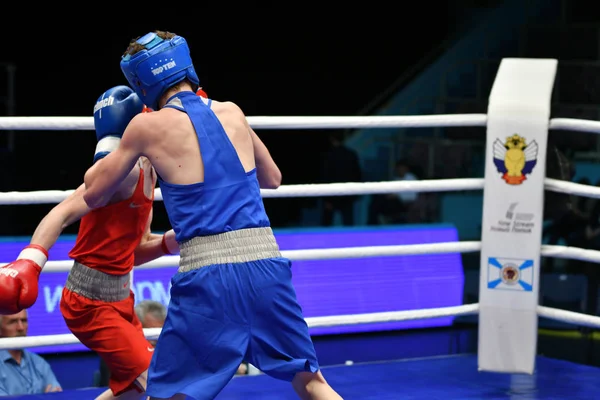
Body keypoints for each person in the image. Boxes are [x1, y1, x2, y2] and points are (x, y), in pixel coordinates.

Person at [83, 30, 343, 400]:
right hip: (265, 262)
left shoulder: (145, 126)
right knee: (310, 379)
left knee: (172, 393)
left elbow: (94, 194)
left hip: (208, 275)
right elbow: (274, 178)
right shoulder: (232, 111)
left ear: (141, 82)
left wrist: (109, 139)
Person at [0, 85, 179, 400]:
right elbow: (62, 212)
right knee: (163, 383)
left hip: (120, 299)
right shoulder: (120, 174)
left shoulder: (148, 170)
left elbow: (133, 251)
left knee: (132, 390)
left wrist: (170, 242)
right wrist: (30, 261)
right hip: (89, 303)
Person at [0, 310, 62, 395]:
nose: (21, 328)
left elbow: (56, 395)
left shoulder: (39, 362)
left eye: (24, 321)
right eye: (13, 322)